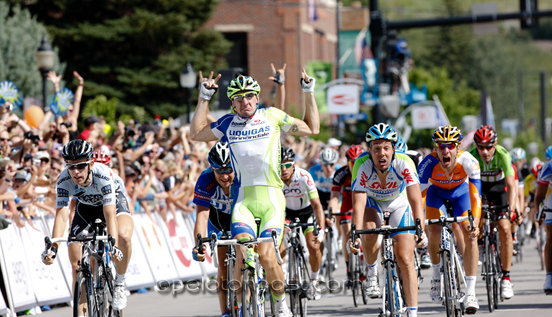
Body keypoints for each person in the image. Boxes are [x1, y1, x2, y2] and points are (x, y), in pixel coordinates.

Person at [189, 68, 320, 317]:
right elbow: (195, 134)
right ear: (232, 104)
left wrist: (308, 91)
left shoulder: (272, 116)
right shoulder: (228, 124)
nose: (244, 101)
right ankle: (240, 308)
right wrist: (204, 97)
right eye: (238, 98)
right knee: (241, 254)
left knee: (268, 257)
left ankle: (281, 304)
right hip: (243, 203)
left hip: (272, 200)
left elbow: (312, 129)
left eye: (249, 96)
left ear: (257, 98)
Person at [42, 140, 134, 313]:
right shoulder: (63, 179)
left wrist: (113, 245)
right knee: (77, 261)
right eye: (71, 166)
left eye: (81, 166)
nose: (76, 172)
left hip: (112, 205)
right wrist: (53, 248)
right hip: (86, 209)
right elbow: (61, 216)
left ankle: (119, 283)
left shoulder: (103, 175)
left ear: (91, 163)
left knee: (123, 237)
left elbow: (109, 214)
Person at [348, 123, 426, 317]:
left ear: (393, 149)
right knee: (370, 229)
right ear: (370, 150)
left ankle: (413, 312)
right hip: (372, 202)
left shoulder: (404, 162)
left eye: (386, 148)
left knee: (405, 258)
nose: (381, 153)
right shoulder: (361, 164)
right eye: (376, 149)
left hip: (398, 202)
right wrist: (354, 235)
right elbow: (358, 205)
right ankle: (372, 274)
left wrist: (420, 230)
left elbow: (416, 201)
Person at [418, 125, 481, 314]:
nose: (446, 150)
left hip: (461, 194)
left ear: (458, 147)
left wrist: (475, 222)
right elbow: (417, 197)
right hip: (435, 195)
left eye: (450, 146)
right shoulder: (427, 164)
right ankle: (436, 275)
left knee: (470, 234)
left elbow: (476, 194)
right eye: (441, 146)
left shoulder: (469, 161)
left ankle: (470, 292)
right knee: (434, 229)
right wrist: (420, 224)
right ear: (435, 148)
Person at [469, 125, 515, 300]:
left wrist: (513, 209)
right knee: (476, 220)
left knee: (504, 228)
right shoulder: (471, 155)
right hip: (479, 189)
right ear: (476, 146)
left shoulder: (503, 154)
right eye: (481, 147)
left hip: (498, 189)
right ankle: (481, 244)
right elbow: (466, 187)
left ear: (495, 144)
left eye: (489, 146)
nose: (485, 151)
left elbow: (511, 185)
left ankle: (506, 278)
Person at [192, 142, 235, 317]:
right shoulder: (205, 179)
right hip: (217, 219)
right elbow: (202, 216)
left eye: (228, 170)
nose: (224, 176)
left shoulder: (242, 176)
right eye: (219, 171)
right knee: (223, 268)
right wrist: (199, 244)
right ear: (212, 168)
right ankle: (225, 311)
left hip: (240, 216)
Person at [280, 146, 325, 300]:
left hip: (306, 213)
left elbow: (317, 205)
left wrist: (321, 228)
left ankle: (314, 281)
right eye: (280, 166)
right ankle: (285, 276)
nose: (283, 169)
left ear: (293, 165)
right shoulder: (274, 179)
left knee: (313, 246)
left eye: (287, 165)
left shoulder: (304, 176)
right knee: (279, 241)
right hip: (286, 214)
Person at [327, 144, 363, 285]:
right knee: (347, 232)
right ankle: (349, 270)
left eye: (357, 162)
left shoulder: (368, 171)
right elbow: (334, 197)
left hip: (365, 203)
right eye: (351, 162)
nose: (354, 166)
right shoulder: (341, 173)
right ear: (347, 162)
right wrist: (331, 214)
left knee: (366, 231)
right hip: (348, 203)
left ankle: (365, 262)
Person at [395, 135, 430, 270]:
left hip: (413, 185)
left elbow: (420, 185)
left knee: (419, 207)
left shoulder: (415, 157)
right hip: (396, 190)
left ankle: (424, 250)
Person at [533, 155, 552, 295]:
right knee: (551, 235)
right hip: (551, 197)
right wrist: (539, 211)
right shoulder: (549, 166)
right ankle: (549, 276)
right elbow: (539, 196)